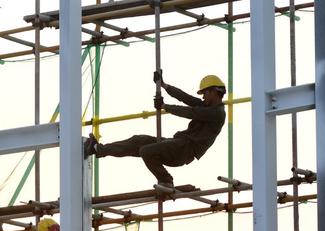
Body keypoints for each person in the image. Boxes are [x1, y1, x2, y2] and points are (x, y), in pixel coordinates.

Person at [84, 73, 227, 188]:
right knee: (138, 141)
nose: (203, 96)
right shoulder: (207, 107)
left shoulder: (217, 113)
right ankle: (98, 149)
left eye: (205, 93)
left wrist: (165, 106)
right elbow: (186, 98)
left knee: (146, 151)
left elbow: (190, 112)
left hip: (185, 150)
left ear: (215, 91)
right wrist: (165, 86)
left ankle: (166, 180)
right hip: (179, 144)